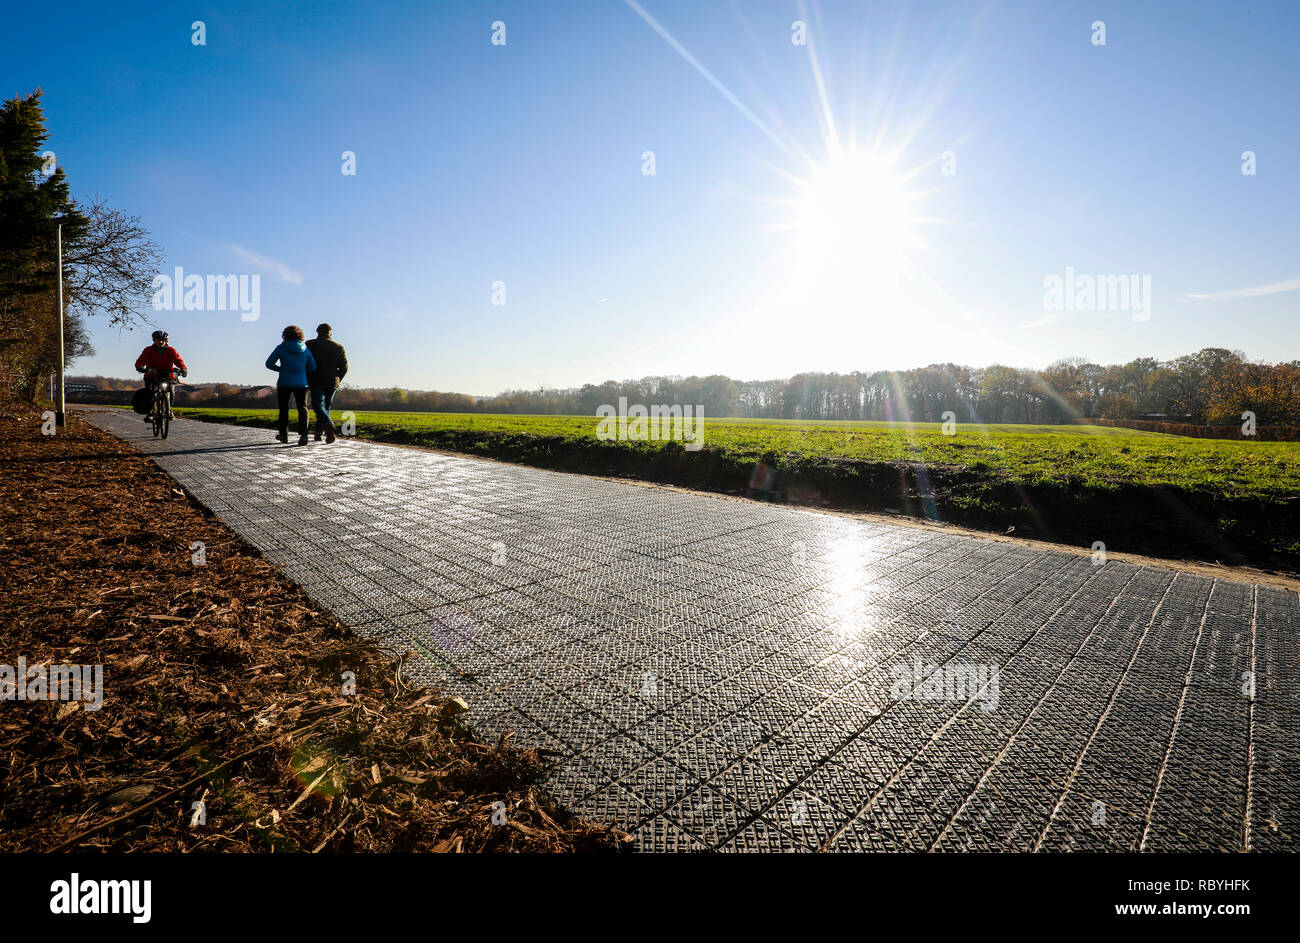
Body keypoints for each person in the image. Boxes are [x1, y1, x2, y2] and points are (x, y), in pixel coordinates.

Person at [265, 325, 316, 445]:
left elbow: (269, 363)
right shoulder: (305, 349)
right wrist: (302, 372)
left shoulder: (281, 348)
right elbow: (313, 367)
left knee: (284, 409)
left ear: (285, 335)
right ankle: (304, 435)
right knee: (302, 408)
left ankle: (283, 435)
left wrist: (281, 369)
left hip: (284, 382)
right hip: (301, 383)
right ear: (300, 335)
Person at [305, 323, 348, 443]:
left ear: (317, 332)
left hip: (315, 380)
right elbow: (344, 367)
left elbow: (305, 362)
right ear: (330, 333)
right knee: (325, 407)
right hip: (332, 382)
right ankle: (319, 433)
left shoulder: (309, 344)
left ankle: (329, 426)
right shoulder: (339, 346)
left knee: (319, 406)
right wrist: (338, 378)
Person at [134, 330, 188, 423]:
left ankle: (169, 410)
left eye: (163, 340)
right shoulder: (148, 350)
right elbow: (141, 361)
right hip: (152, 375)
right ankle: (151, 412)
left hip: (168, 375)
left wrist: (183, 368)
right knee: (150, 393)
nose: (160, 342)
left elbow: (178, 360)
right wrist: (140, 367)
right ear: (154, 340)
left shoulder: (171, 350)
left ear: (166, 341)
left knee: (171, 391)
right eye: (158, 340)